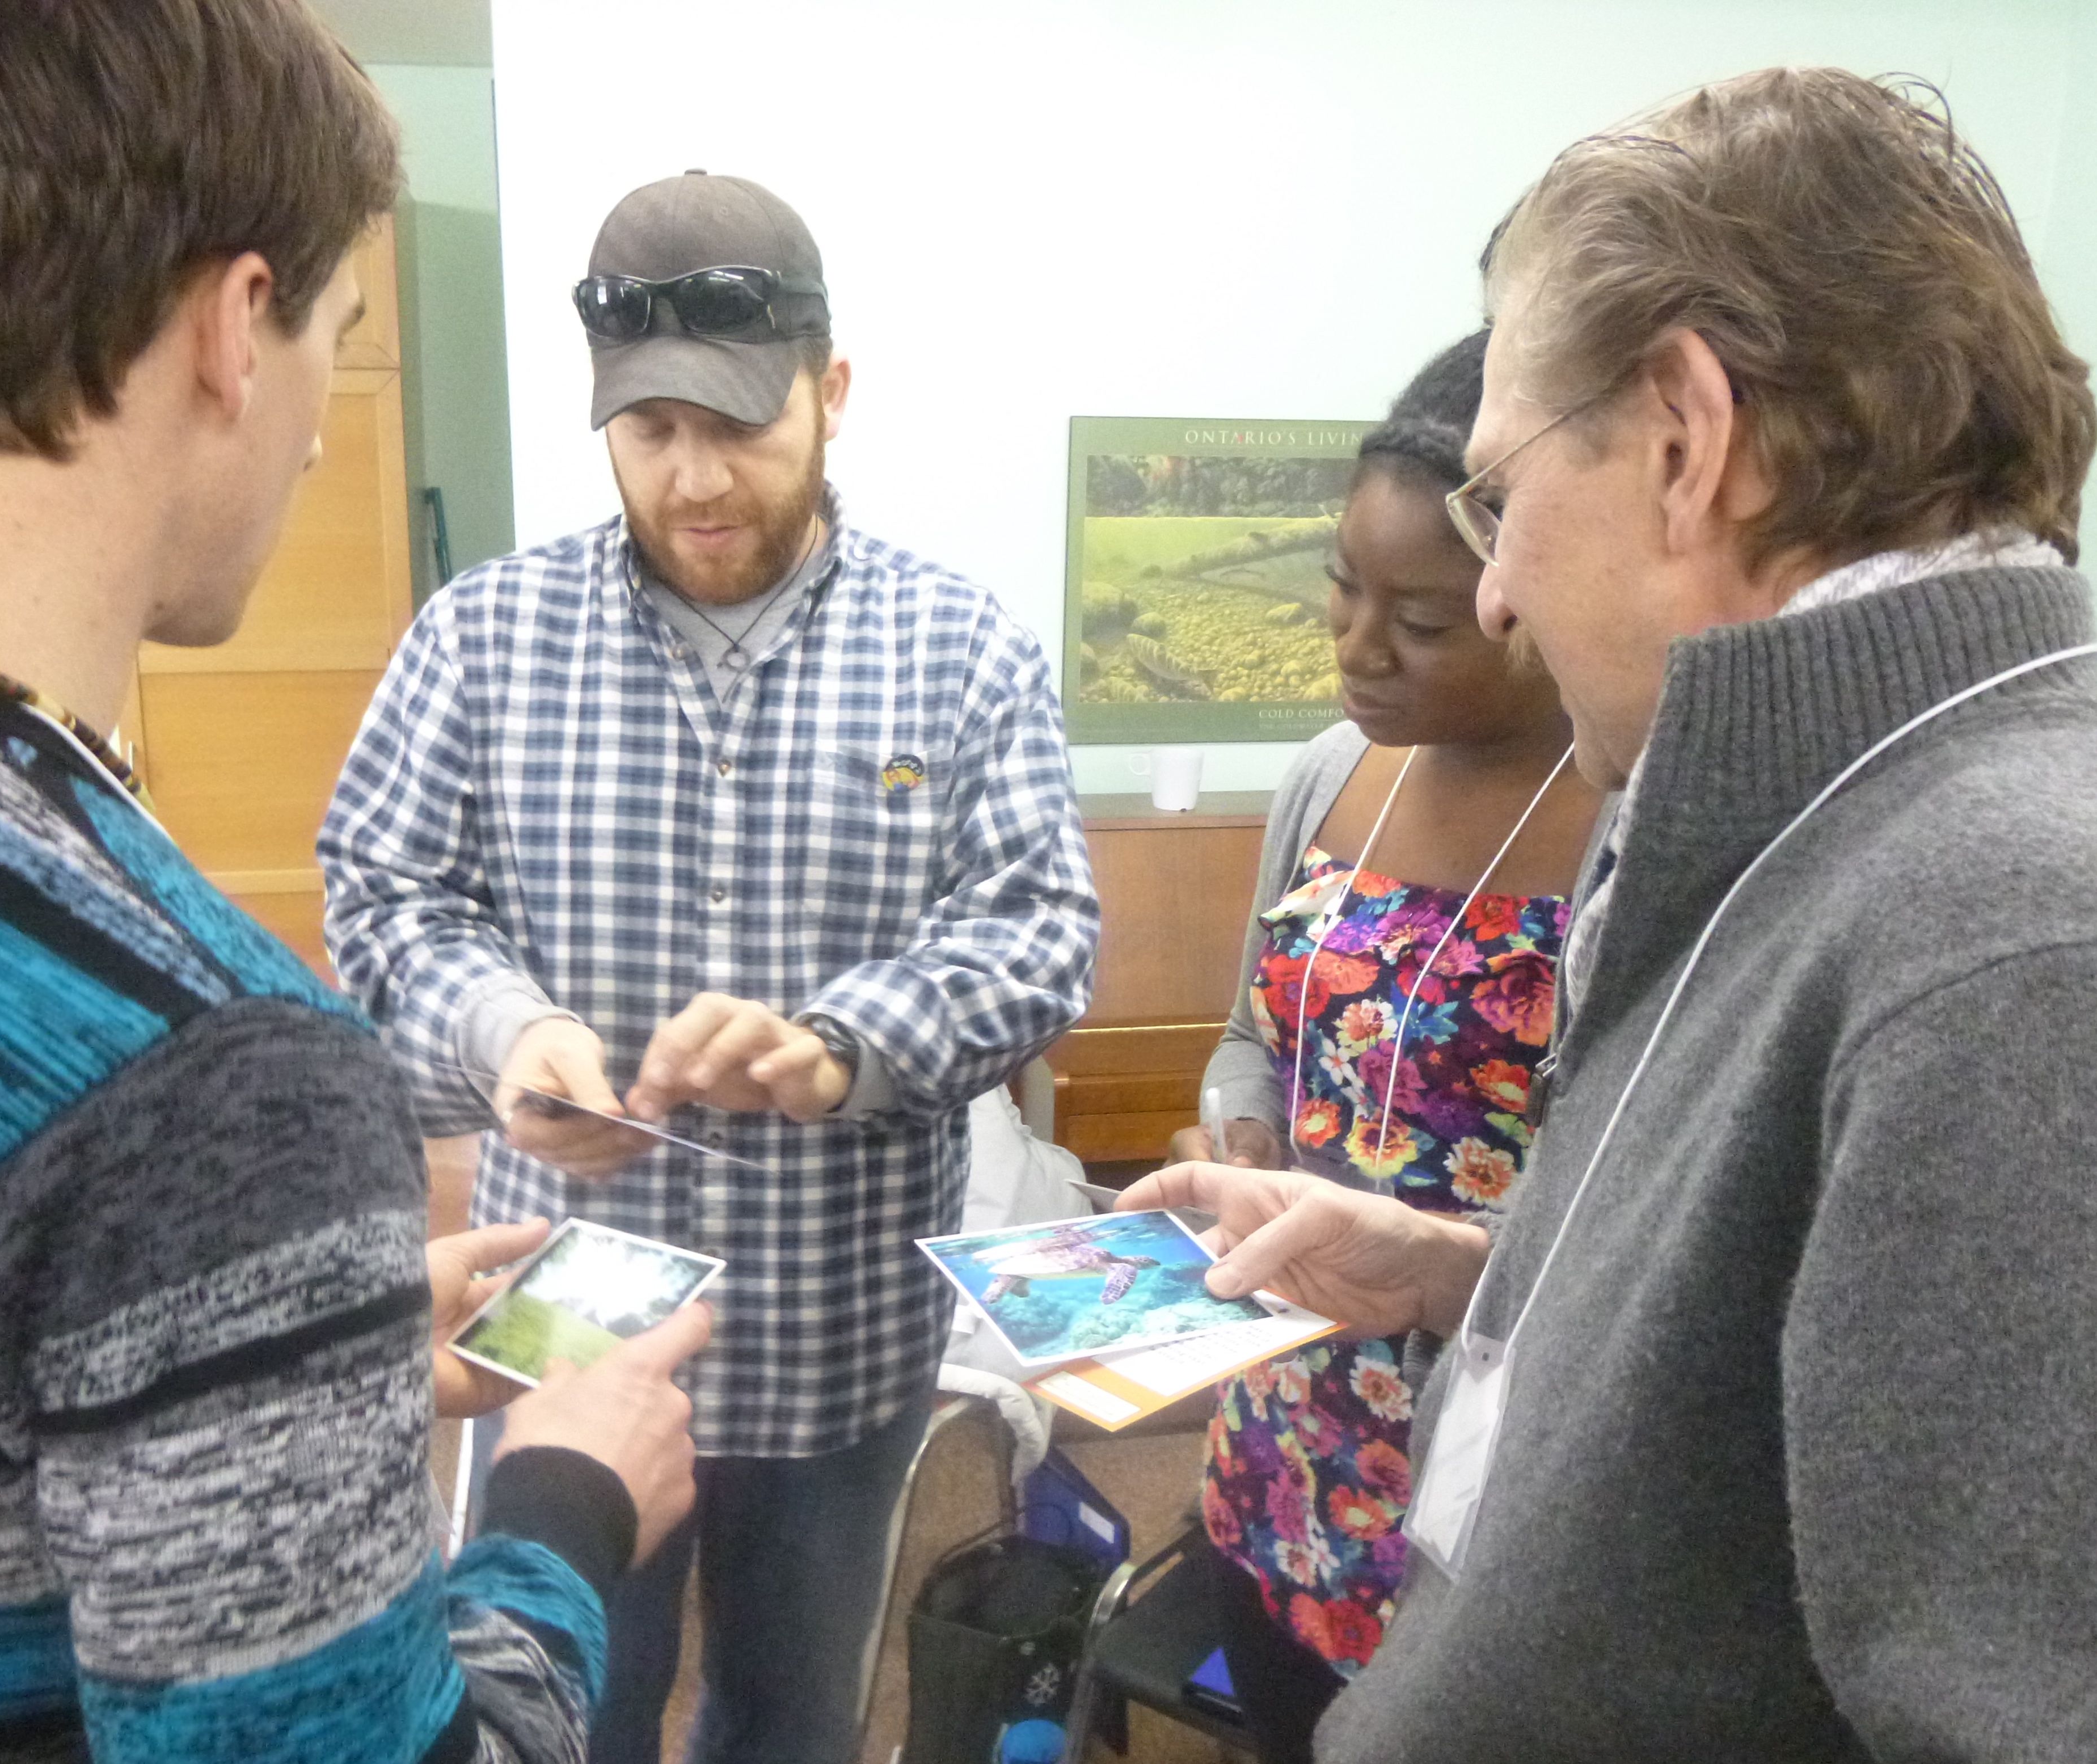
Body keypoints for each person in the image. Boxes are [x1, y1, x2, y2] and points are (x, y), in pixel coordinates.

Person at [0, 5, 707, 1761]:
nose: (324, 432)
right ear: (231, 327)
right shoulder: (213, 1081)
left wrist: (243, 1359)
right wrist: (562, 1504)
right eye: (338, 334)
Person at [1130, 68, 2097, 1760]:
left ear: (1681, 434)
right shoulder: (1796, 812)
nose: (1496, 589)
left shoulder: (2013, 941)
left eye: (1498, 497)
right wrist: (1465, 1272)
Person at [318, 171, 1098, 1764]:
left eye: (737, 427)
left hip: (837, 1337)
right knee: (558, 1702)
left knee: (792, 1719)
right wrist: (506, 1030)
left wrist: (843, 1043)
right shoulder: (481, 638)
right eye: (650, 429)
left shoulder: (962, 649)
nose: (693, 479)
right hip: (568, 1333)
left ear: (831, 390)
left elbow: (1037, 929)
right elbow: (382, 896)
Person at [1164, 330, 1602, 1760]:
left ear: (1522, 589)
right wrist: (1238, 1123)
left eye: (1418, 618)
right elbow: (1254, 1032)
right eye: (1342, 587)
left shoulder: (1627, 815)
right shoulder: (1331, 773)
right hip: (1281, 1429)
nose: (1357, 645)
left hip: (1481, 1457)